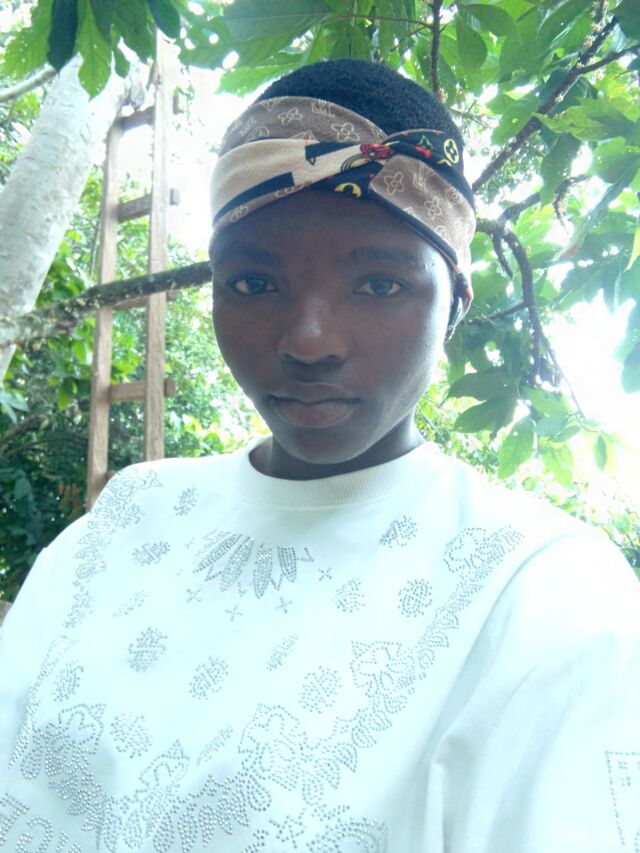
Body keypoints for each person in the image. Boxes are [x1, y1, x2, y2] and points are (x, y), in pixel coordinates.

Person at [0, 59, 638, 853]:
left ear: (454, 305)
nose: (310, 342)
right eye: (254, 283)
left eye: (380, 286)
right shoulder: (126, 523)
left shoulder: (545, 594)